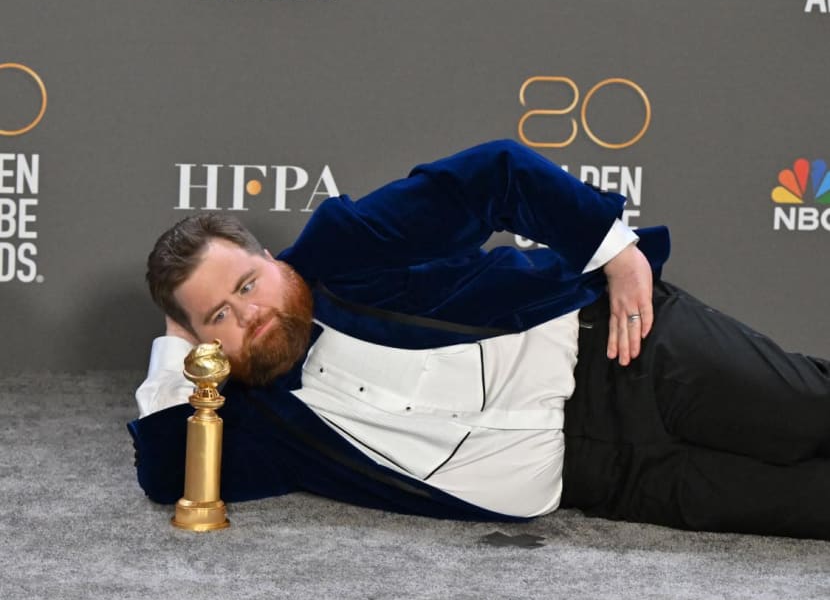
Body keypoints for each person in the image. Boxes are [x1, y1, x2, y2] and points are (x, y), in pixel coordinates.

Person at [129, 140, 830, 539]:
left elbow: (491, 178)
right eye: (218, 315)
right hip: (609, 481)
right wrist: (179, 345)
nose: (246, 317)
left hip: (625, 352)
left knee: (806, 415)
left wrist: (612, 251)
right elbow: (170, 477)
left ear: (273, 261)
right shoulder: (265, 426)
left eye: (247, 286)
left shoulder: (343, 250)